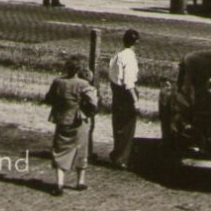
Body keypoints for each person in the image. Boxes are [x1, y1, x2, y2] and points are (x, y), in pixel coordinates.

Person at [42, 57, 95, 195]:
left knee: (60, 149)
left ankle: (59, 183)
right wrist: (86, 111)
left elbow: (49, 98)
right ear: (80, 70)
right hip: (79, 120)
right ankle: (80, 181)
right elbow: (93, 103)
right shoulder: (84, 85)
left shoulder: (58, 82)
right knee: (81, 149)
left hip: (62, 120)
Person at [107, 29, 141, 169]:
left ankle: (116, 153)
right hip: (126, 94)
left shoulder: (117, 55)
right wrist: (135, 101)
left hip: (116, 92)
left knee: (118, 125)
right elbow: (129, 83)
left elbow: (111, 74)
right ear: (136, 42)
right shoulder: (130, 58)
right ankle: (122, 158)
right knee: (128, 127)